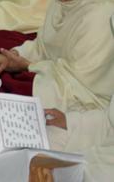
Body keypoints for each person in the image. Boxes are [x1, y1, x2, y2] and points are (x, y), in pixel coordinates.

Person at [44, 16, 114, 182]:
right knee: (46, 138)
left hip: (105, 169)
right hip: (102, 147)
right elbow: (109, 121)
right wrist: (70, 122)